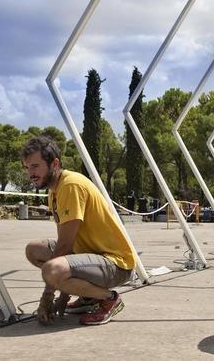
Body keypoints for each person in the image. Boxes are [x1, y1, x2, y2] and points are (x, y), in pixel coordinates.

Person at [22, 136, 136, 325]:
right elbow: (65, 242)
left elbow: (65, 245)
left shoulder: (70, 185)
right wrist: (64, 293)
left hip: (116, 263)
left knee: (52, 269)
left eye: (35, 166)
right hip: (91, 257)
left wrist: (48, 296)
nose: (30, 173)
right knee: (34, 249)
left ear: (54, 163)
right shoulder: (55, 191)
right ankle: (89, 297)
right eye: (27, 168)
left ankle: (109, 299)